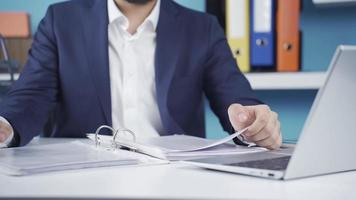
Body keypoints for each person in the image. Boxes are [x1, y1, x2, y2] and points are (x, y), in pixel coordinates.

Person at [0, 0, 282, 149]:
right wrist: (5, 125)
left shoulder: (202, 28)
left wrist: (254, 123)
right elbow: (32, 93)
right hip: (81, 177)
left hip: (176, 179)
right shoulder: (61, 20)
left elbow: (239, 101)